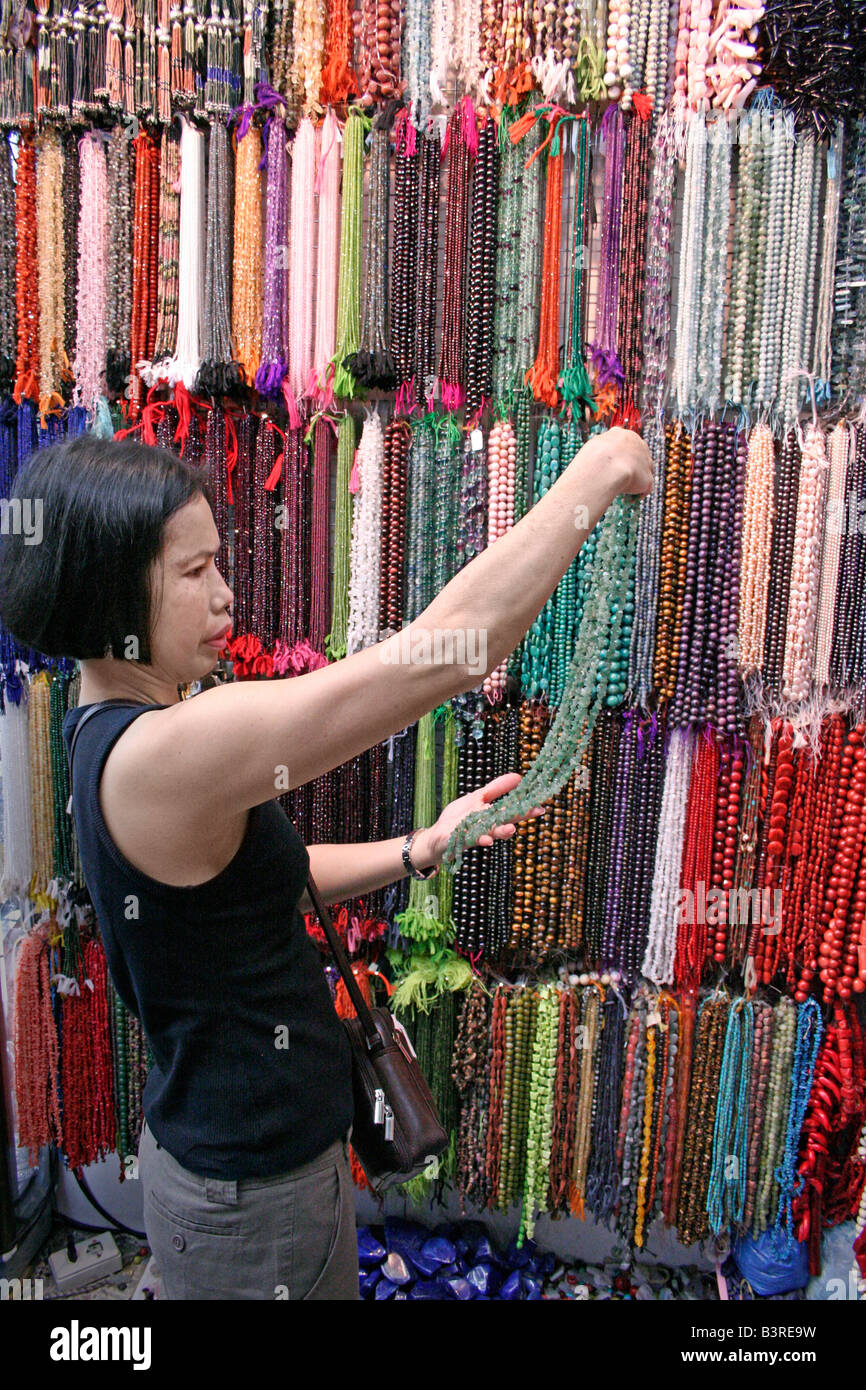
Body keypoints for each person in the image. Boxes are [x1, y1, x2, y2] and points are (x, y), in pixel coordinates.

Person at [0, 426, 652, 1299]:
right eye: (195, 574)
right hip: (253, 1198)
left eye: (219, 564)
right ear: (112, 588)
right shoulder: (165, 754)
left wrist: (418, 850)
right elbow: (452, 650)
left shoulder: (110, 726)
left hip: (249, 1171)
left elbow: (259, 883)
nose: (226, 596)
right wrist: (598, 472)